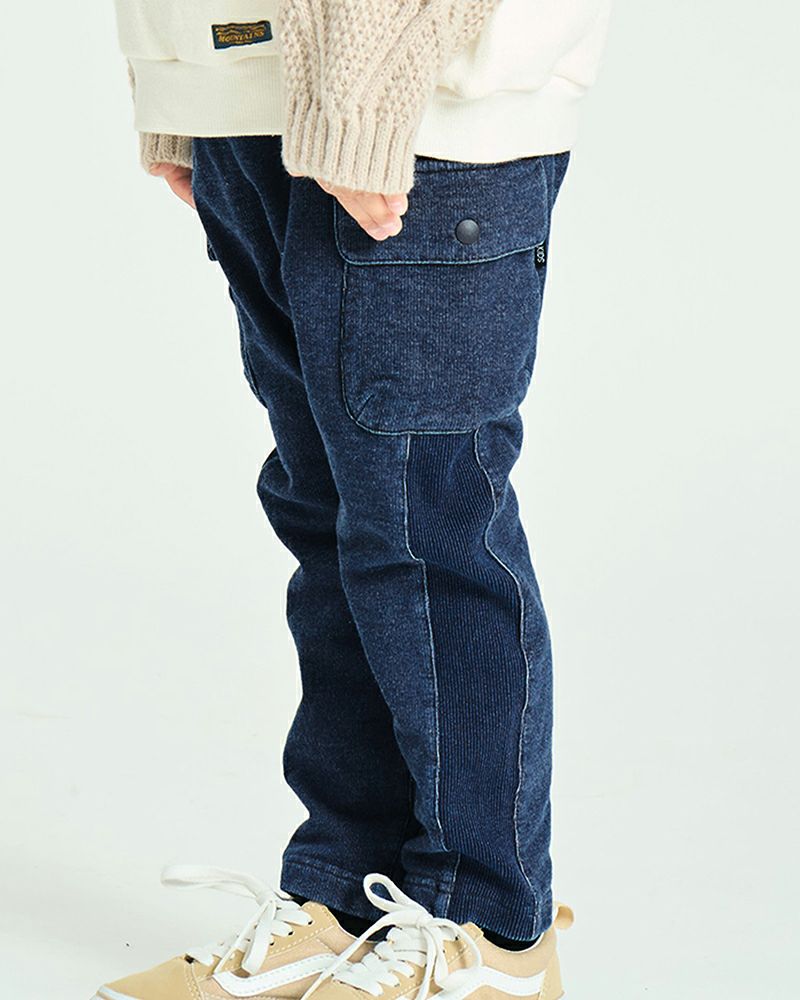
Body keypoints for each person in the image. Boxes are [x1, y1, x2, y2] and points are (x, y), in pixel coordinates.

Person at [96, 3, 612, 1000]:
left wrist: (363, 90)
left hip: (418, 103)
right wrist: (182, 79)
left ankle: (491, 930)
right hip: (252, 91)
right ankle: (352, 900)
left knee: (426, 531)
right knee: (333, 520)